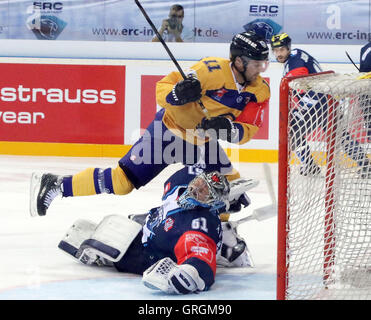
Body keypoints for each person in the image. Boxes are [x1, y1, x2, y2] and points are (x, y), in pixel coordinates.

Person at [30, 30, 270, 219]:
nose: (261, 69)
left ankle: (214, 235)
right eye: (256, 63)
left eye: (263, 63)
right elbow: (162, 88)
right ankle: (58, 184)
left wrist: (228, 129)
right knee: (122, 182)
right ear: (239, 61)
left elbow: (250, 128)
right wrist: (177, 94)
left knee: (228, 190)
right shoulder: (210, 69)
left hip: (203, 143)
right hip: (168, 133)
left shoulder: (259, 90)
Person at [58, 169, 256, 295]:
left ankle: (228, 249)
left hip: (149, 254)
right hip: (152, 227)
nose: (195, 189)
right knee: (112, 225)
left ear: (213, 203)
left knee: (101, 245)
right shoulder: (182, 186)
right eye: (198, 184)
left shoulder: (199, 224)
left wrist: (189, 274)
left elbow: (200, 261)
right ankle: (228, 247)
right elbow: (192, 163)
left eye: (204, 192)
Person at [271, 33, 371, 178]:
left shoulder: (294, 62)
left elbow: (310, 89)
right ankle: (365, 165)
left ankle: (310, 165)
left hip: (317, 103)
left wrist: (301, 111)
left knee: (291, 130)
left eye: (281, 50)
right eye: (276, 50)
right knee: (342, 136)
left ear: (288, 48)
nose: (279, 54)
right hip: (329, 102)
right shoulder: (297, 56)